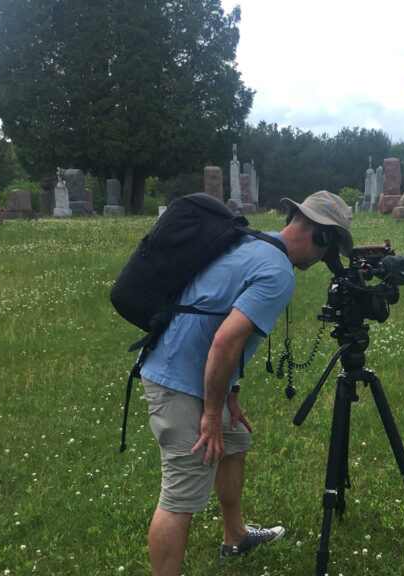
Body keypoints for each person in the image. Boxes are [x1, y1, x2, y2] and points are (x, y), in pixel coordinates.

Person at [139, 190, 353, 575]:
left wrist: (229, 395)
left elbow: (217, 307)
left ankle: (235, 536)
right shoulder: (277, 272)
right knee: (180, 496)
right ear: (322, 237)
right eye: (329, 248)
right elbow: (224, 340)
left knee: (234, 440)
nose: (324, 259)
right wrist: (208, 412)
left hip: (187, 367)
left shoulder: (251, 240)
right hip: (178, 380)